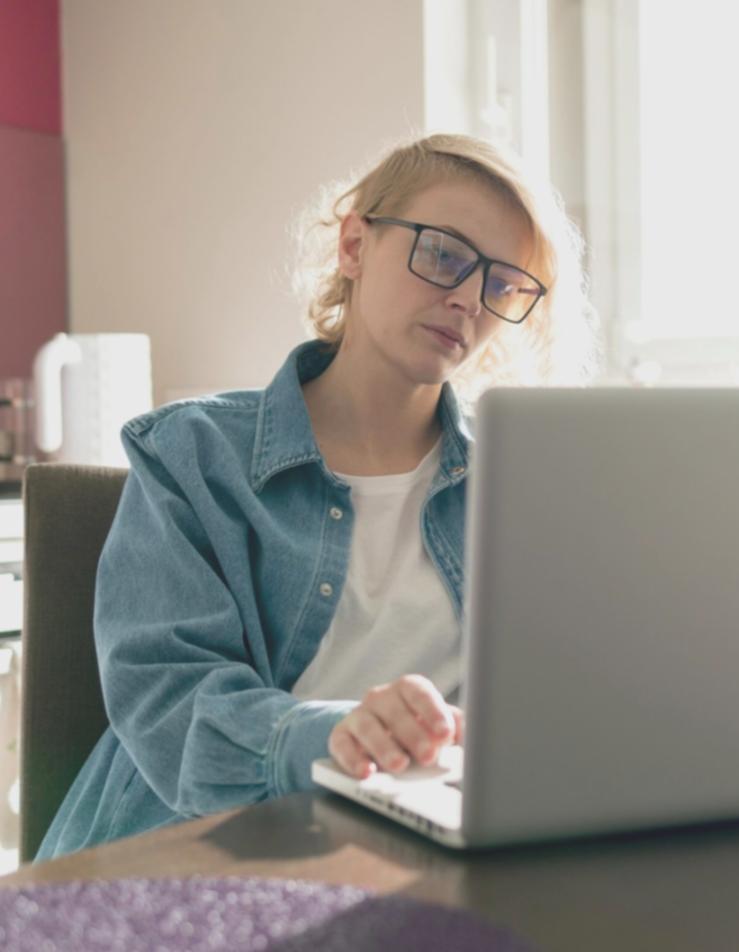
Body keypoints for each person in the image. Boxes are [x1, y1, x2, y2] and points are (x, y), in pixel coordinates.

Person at [36, 133, 599, 860]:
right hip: (191, 850)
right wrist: (330, 735)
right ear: (355, 245)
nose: (467, 298)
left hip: (416, 857)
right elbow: (168, 700)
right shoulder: (192, 454)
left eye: (501, 283)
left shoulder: (515, 490)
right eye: (443, 254)